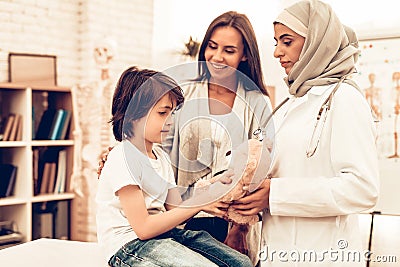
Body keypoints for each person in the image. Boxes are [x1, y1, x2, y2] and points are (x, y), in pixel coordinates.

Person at [231, 1, 379, 266]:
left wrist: (274, 195)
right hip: (278, 253)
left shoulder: (344, 98)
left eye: (287, 42)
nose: (277, 52)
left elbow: (362, 188)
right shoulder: (291, 104)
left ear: (316, 43)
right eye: (276, 42)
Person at [96, 66, 254, 267]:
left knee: (241, 263)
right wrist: (200, 203)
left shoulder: (160, 156)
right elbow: (143, 228)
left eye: (172, 112)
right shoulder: (122, 158)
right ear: (133, 114)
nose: (171, 121)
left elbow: (175, 208)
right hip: (130, 245)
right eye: (163, 113)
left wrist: (212, 193)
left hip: (164, 235)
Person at [163, 11, 273, 265]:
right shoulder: (183, 94)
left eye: (229, 50)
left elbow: (261, 168)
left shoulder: (258, 103)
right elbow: (158, 145)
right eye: (212, 47)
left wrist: (239, 231)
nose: (217, 57)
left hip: (231, 227)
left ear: (245, 55)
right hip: (181, 220)